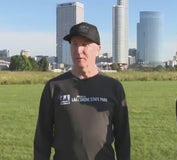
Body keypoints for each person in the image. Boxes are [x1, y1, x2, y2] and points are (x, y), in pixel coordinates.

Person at [34, 22, 130, 160]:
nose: (79, 50)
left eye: (85, 44)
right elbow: (42, 137)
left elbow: (123, 138)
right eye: (74, 44)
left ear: (98, 49)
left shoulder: (113, 87)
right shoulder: (55, 87)